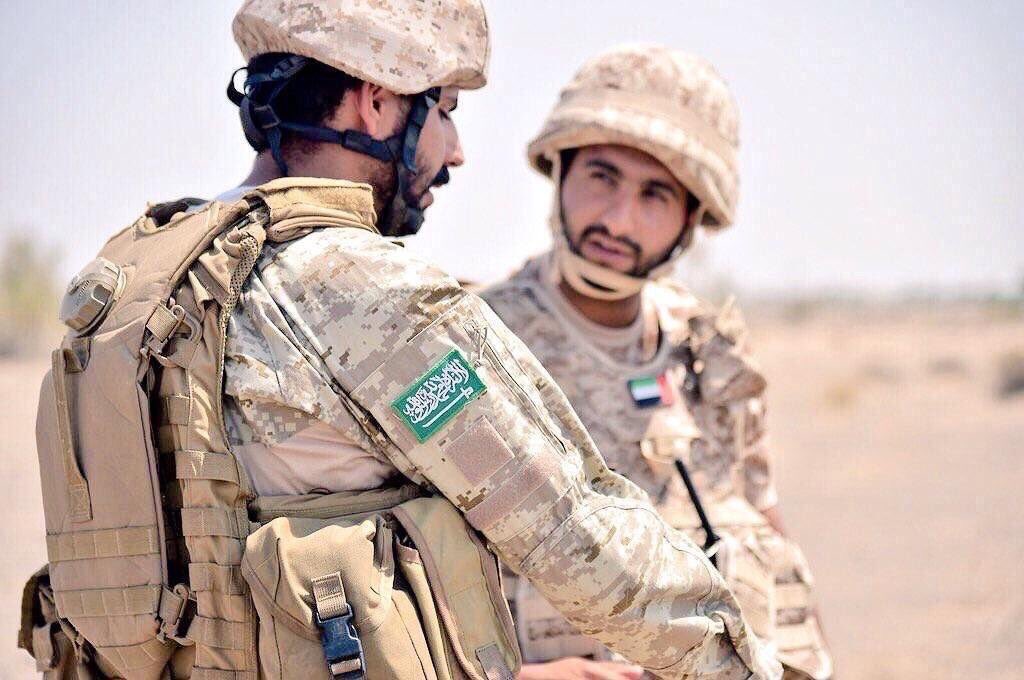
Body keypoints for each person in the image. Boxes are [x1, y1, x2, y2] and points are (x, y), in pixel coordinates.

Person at [20, 3, 780, 680]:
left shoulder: (143, 276)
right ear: (376, 100)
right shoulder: (353, 286)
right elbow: (576, 533)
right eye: (444, 109)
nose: (456, 150)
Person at [481, 45, 834, 680]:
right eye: (602, 176)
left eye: (655, 195)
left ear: (690, 217)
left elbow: (767, 535)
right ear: (560, 168)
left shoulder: (710, 351)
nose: (619, 220)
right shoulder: (475, 343)